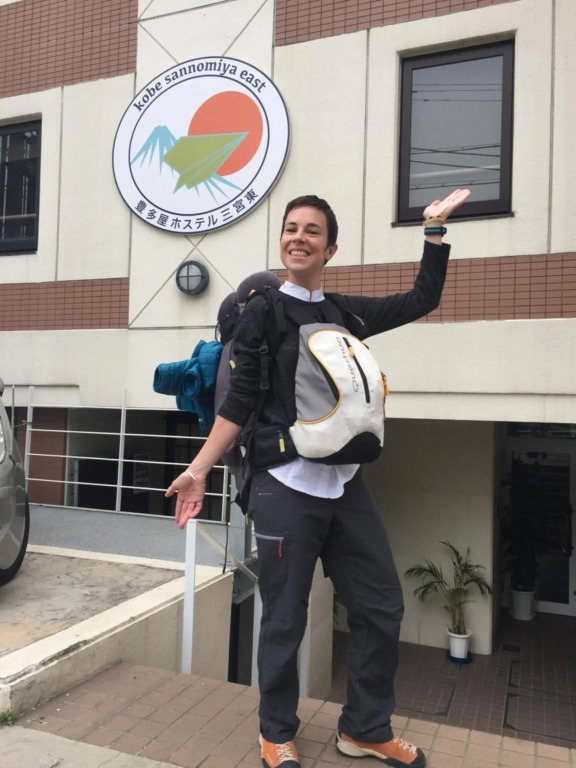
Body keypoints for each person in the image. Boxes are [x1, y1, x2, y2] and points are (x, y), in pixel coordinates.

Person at [166, 188, 470, 768]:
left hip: (343, 482)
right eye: (291, 228)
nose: (298, 238)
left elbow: (420, 300)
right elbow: (240, 401)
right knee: (285, 618)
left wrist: (433, 232)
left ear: (330, 248)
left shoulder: (342, 313)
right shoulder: (263, 311)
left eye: (311, 231)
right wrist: (199, 469)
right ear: (282, 241)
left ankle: (365, 729)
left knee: (380, 605)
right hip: (283, 483)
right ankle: (276, 732)